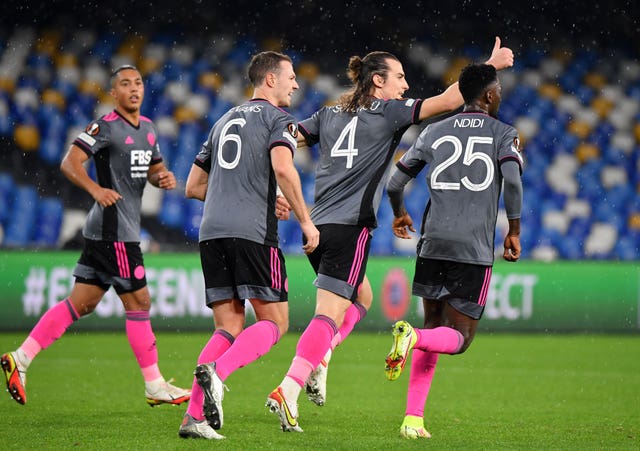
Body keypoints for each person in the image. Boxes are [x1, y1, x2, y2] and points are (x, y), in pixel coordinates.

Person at [266, 38, 514, 432]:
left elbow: (281, 143)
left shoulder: (327, 113)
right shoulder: (390, 112)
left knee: (361, 296)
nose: (405, 85)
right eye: (399, 77)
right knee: (326, 316)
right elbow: (452, 98)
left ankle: (323, 355)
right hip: (350, 228)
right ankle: (289, 388)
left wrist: (275, 189)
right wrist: (490, 65)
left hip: (317, 226)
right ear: (378, 81)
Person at [1, 65, 191, 408]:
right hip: (114, 230)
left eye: (138, 83)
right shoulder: (104, 127)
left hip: (116, 229)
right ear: (113, 93)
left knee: (82, 303)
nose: (133, 89)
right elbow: (69, 162)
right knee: (140, 302)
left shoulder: (148, 129)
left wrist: (161, 178)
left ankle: (21, 357)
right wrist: (96, 189)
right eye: (125, 84)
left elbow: (151, 169)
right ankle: (154, 384)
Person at [178, 51, 320, 440]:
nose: (295, 84)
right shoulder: (279, 120)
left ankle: (194, 418)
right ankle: (218, 376)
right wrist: (305, 220)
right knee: (275, 322)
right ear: (270, 79)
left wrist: (250, 193)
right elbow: (283, 167)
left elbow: (193, 187)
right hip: (253, 233)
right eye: (290, 77)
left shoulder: (223, 120)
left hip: (212, 233)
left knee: (228, 325)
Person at [383, 62, 523, 439]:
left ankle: (413, 419)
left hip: (433, 243)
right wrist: (514, 229)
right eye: (498, 91)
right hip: (472, 248)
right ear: (490, 95)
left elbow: (395, 183)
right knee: (458, 339)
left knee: (432, 327)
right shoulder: (503, 133)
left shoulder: (433, 131)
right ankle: (410, 338)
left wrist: (399, 214)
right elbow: (511, 179)